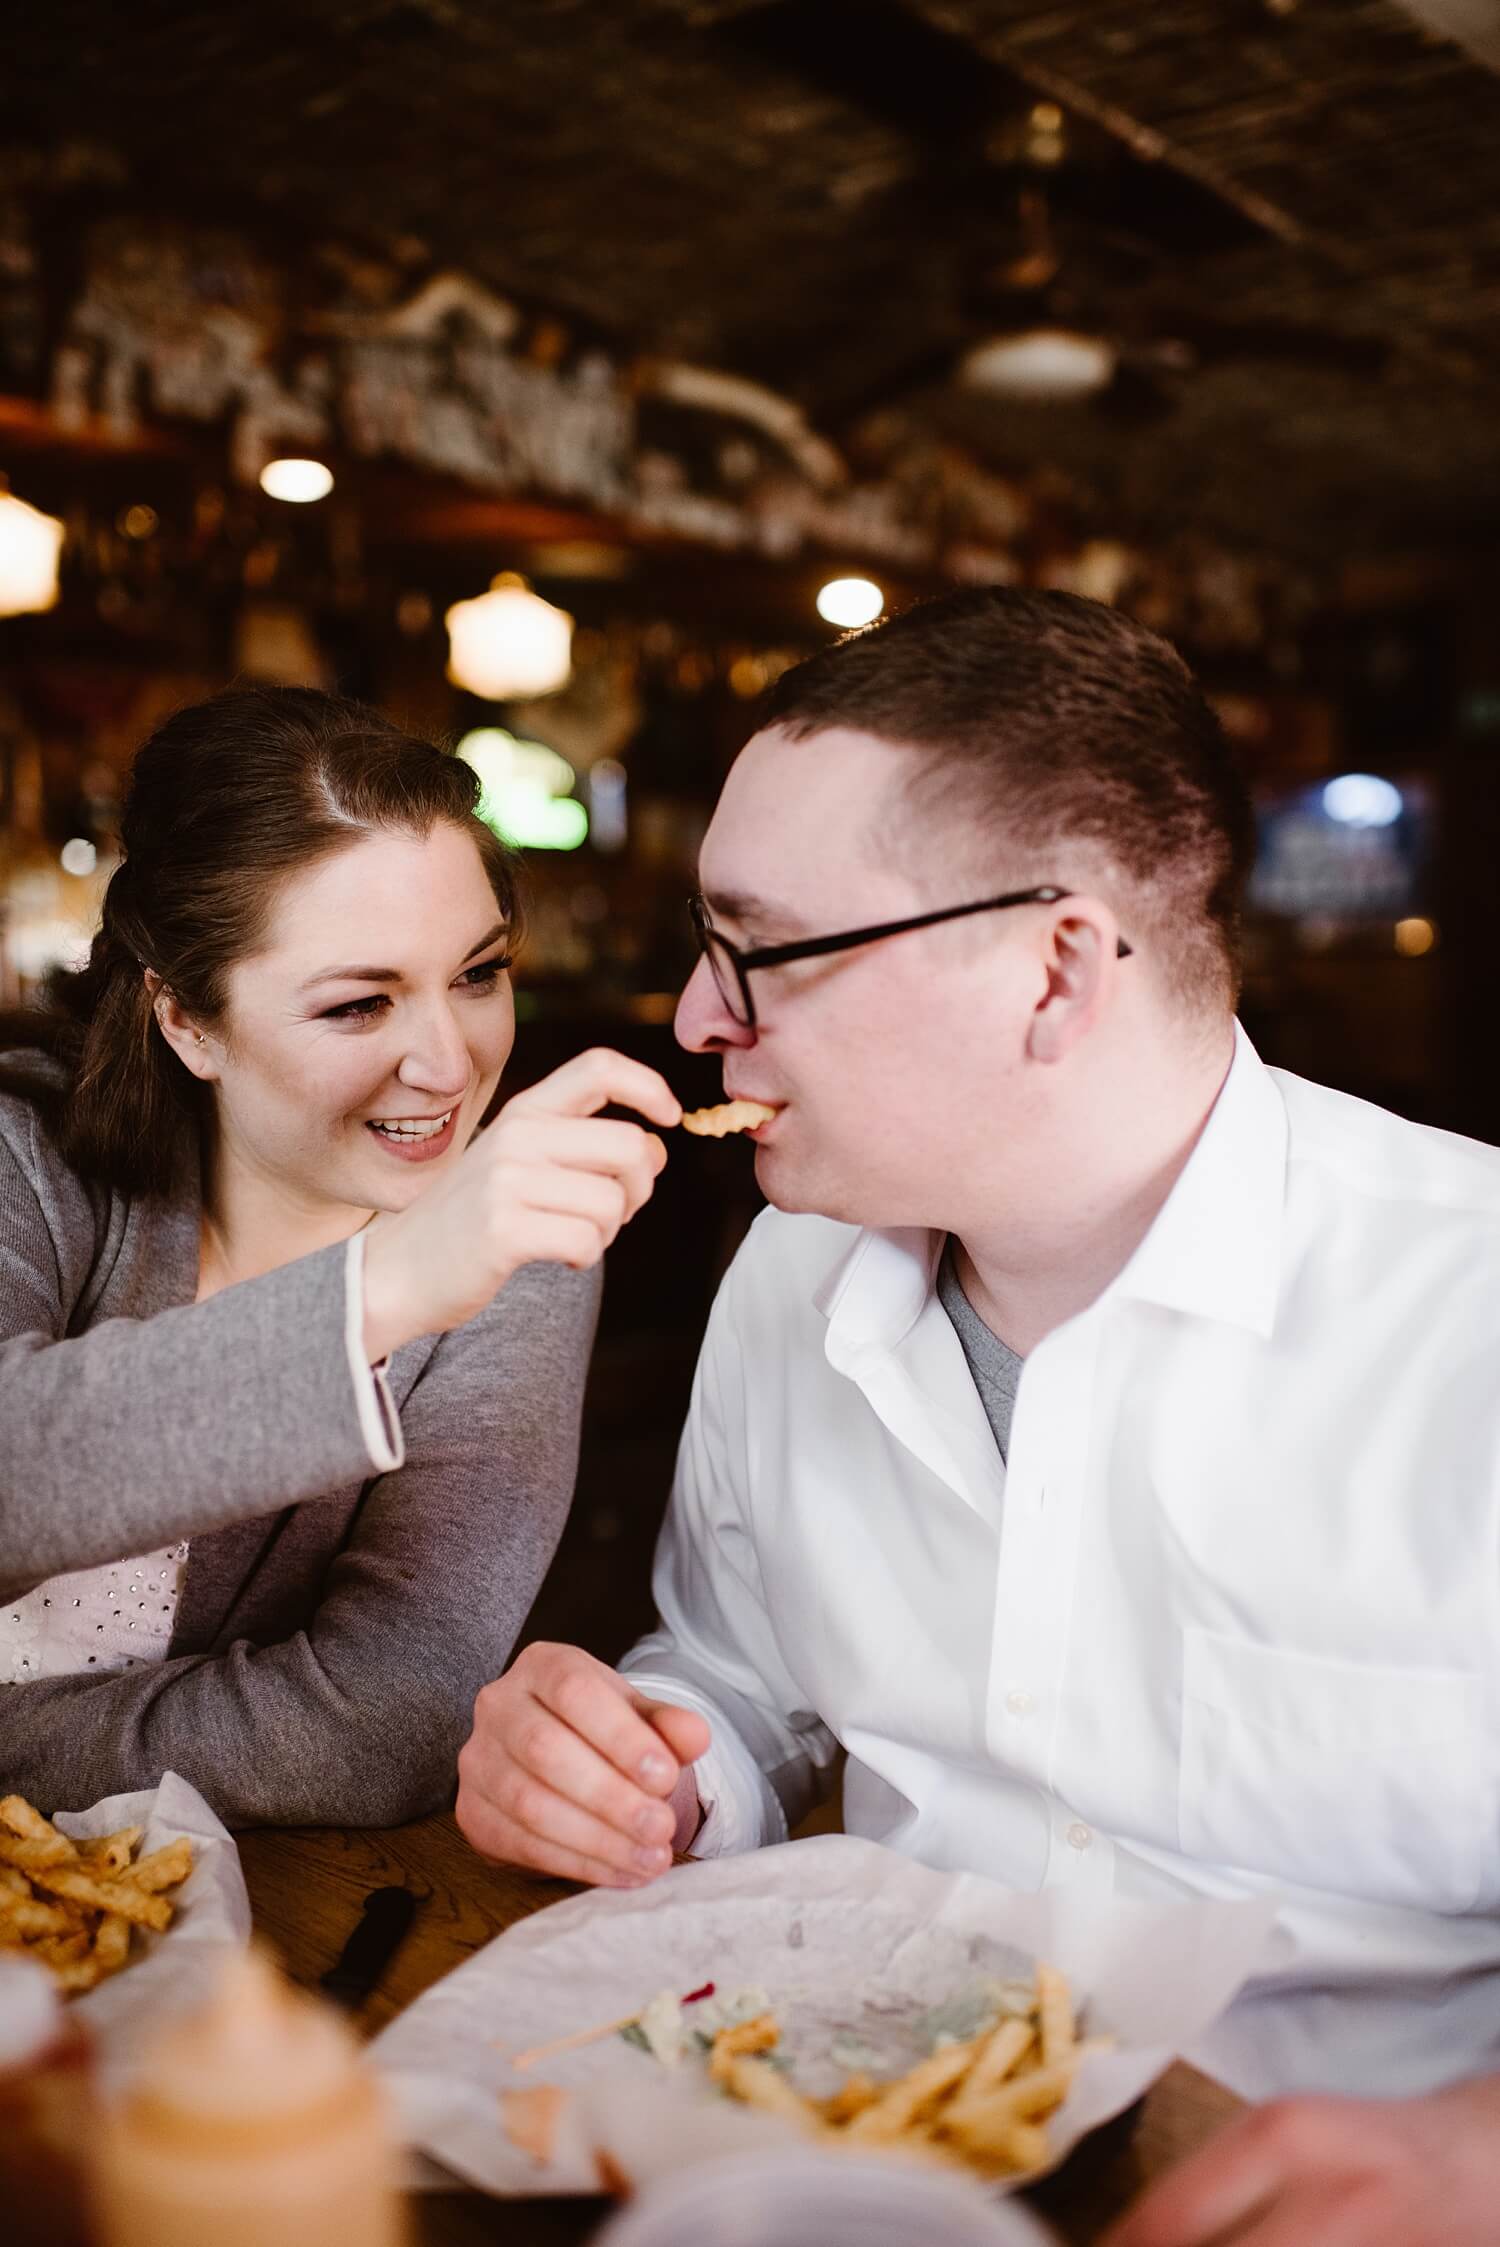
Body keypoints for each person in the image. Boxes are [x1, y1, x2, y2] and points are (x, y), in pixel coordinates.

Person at [455, 586, 1500, 2113]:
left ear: (1056, 970)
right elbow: (740, 1668)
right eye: (704, 942)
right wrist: (652, 1764)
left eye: (760, 949)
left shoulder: (1463, 1313)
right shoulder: (791, 1264)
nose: (694, 1014)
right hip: (857, 2144)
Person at [0, 686, 678, 1828]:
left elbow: (388, 1724)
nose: (449, 1065)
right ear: (187, 1022)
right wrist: (396, 1287)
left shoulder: (526, 1262)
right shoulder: (27, 1152)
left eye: (478, 974)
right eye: (361, 1005)